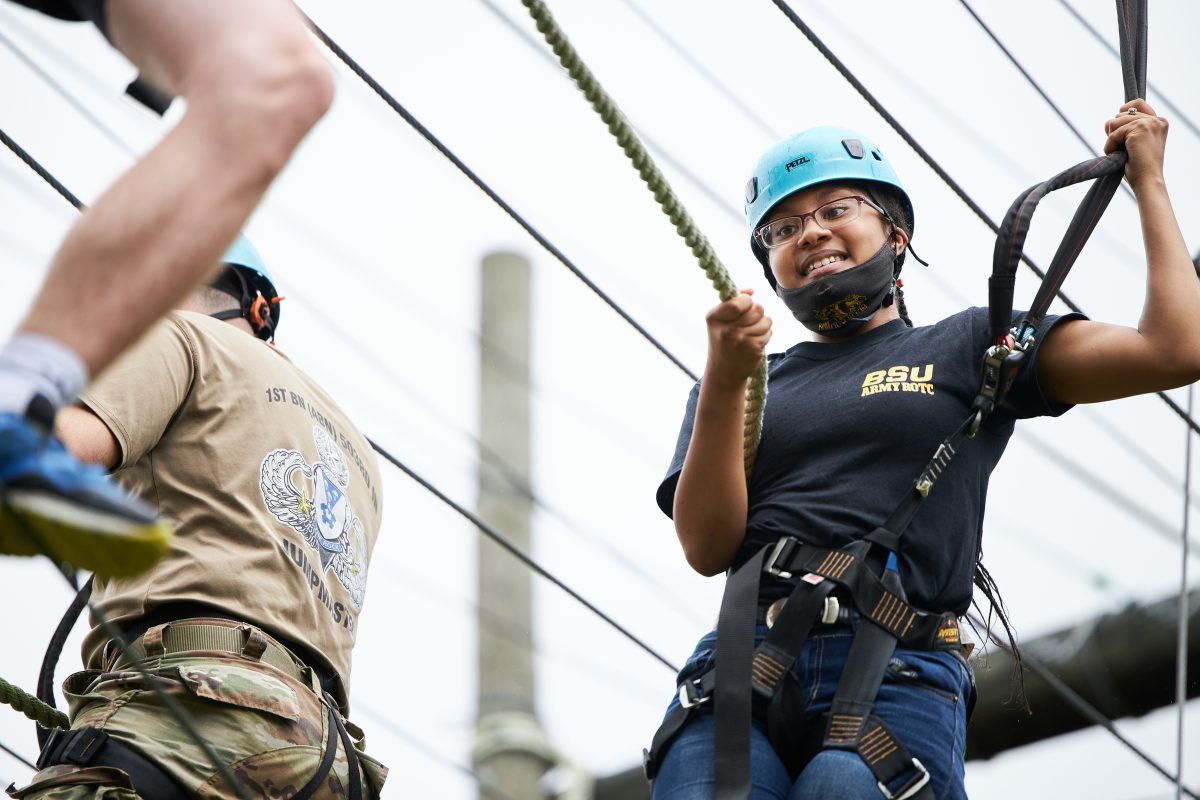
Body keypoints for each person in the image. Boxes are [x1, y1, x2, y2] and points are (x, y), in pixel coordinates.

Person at [644, 100, 1200, 800]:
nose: (809, 232)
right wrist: (726, 377)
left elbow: (1173, 350)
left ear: (896, 233)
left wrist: (1147, 178)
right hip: (741, 661)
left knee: (842, 790)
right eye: (782, 229)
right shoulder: (747, 384)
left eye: (835, 208)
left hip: (898, 663)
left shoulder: (970, 345)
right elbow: (705, 546)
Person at [7, 240, 387, 799]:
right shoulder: (358, 453)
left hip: (192, 708)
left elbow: (50, 450)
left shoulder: (181, 337)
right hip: (324, 758)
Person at [0, 0, 334, 579]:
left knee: (285, 76)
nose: (133, 319)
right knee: (280, 76)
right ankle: (16, 405)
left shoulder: (196, 353)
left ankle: (18, 402)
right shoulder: (342, 440)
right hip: (274, 667)